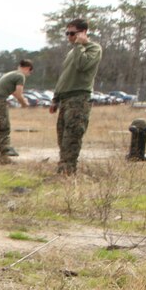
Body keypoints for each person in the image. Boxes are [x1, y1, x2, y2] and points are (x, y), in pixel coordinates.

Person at [50, 19, 102, 175]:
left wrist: (80, 45)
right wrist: (56, 98)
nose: (69, 37)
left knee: (72, 136)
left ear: (83, 32)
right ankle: (63, 168)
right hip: (65, 99)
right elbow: (64, 77)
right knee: (62, 136)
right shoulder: (72, 52)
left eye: (72, 33)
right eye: (67, 33)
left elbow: (83, 66)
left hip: (79, 98)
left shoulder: (93, 48)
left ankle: (68, 171)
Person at [0, 59, 34, 163]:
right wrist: (24, 104)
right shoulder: (20, 76)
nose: (28, 75)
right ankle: (4, 156)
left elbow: (12, 91)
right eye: (30, 72)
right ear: (27, 68)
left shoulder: (11, 74)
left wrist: (22, 99)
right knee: (4, 128)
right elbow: (18, 94)